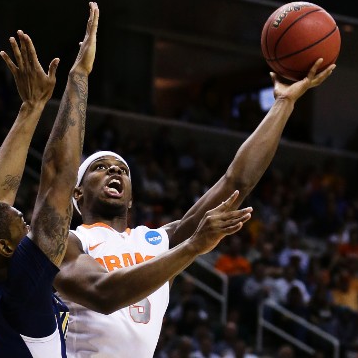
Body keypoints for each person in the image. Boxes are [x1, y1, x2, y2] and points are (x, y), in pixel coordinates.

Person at [54, 59, 335, 357]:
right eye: (100, 167)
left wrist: (284, 103)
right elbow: (103, 294)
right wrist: (192, 247)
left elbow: (236, 181)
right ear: (78, 193)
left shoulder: (158, 241)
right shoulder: (68, 243)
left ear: (132, 197)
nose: (114, 171)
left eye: (122, 169)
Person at [0, 3, 97, 357]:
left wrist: (32, 107)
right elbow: (61, 176)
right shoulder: (23, 293)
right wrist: (81, 73)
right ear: (4, 248)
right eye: (22, 225)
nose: (28, 224)